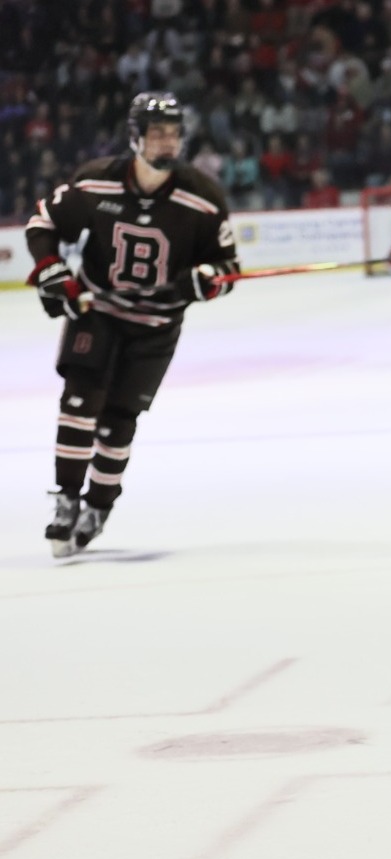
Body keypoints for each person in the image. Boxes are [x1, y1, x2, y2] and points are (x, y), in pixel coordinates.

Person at [23, 91, 241, 558]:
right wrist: (52, 270)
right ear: (136, 137)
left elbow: (227, 268)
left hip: (156, 325)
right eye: (157, 133)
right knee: (79, 402)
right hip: (97, 310)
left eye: (174, 133)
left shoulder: (203, 198)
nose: (167, 142)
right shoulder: (97, 182)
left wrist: (206, 282)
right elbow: (42, 223)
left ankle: (99, 506)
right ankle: (66, 500)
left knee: (119, 422)